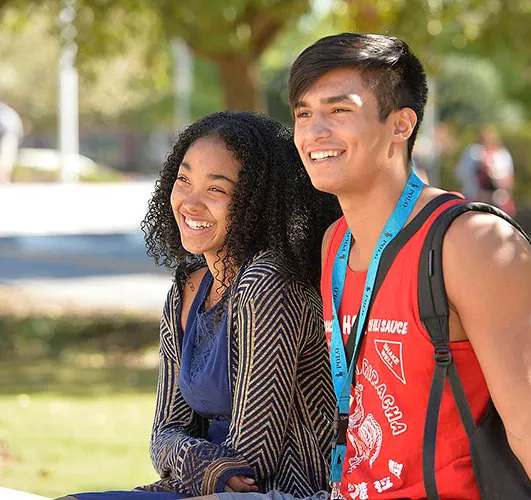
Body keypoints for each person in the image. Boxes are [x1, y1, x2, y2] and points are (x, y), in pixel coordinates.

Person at [189, 33, 531, 500]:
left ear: (400, 125)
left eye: (339, 110)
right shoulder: (336, 243)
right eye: (304, 113)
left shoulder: (468, 243)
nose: (314, 132)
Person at [57, 111, 341, 500]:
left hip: (283, 492)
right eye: (184, 180)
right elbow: (163, 435)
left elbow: (252, 462)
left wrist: (187, 457)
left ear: (257, 203)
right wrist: (200, 461)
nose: (190, 203)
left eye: (217, 190)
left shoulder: (268, 284)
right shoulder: (187, 289)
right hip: (201, 490)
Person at [456, 124, 515, 216]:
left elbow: (508, 179)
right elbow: (463, 173)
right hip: (475, 199)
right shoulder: (473, 153)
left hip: (497, 200)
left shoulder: (502, 155)